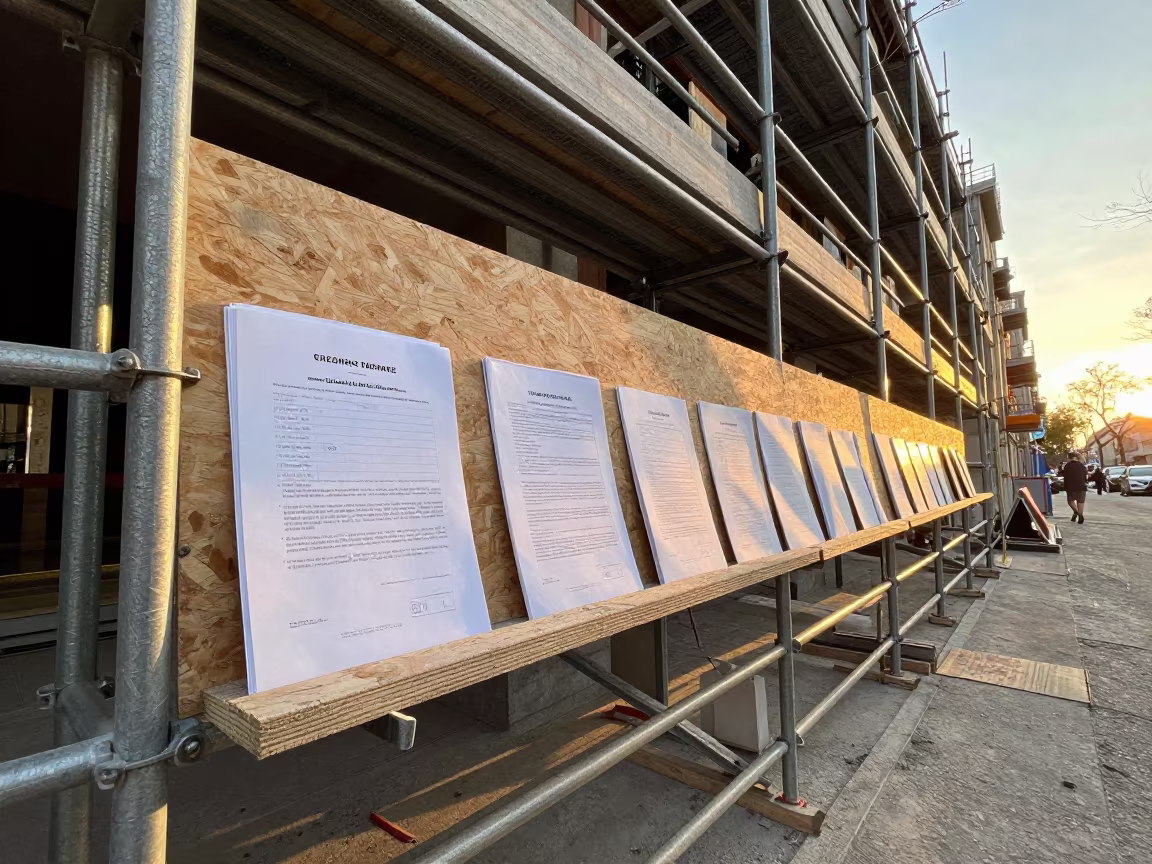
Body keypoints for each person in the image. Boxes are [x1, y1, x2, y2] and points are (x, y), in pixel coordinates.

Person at [1059, 452, 1088, 523]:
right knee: (1080, 502)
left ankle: (1077, 513)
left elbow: (1065, 477)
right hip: (1081, 486)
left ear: (1069, 458)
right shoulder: (1082, 466)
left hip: (1071, 486)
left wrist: (1065, 486)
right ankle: (1080, 515)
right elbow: (1085, 477)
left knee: (1070, 501)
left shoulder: (1067, 466)